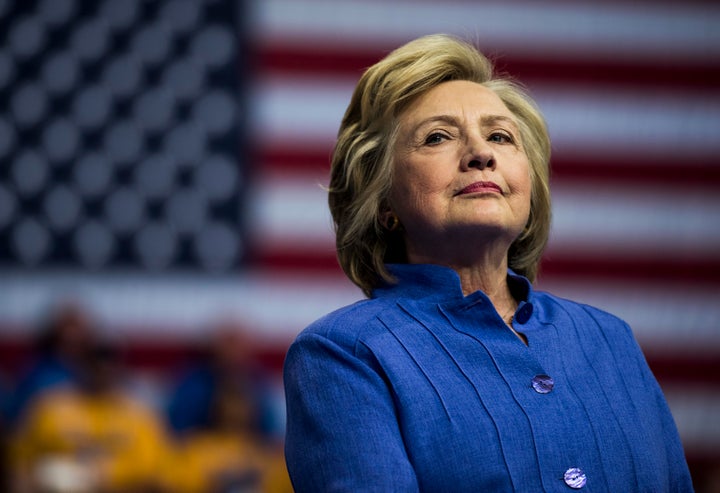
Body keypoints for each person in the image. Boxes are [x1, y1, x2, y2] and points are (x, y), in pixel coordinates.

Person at [283, 34, 694, 492]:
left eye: (500, 136)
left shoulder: (610, 338)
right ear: (382, 201)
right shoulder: (344, 353)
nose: (482, 153)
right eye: (437, 137)